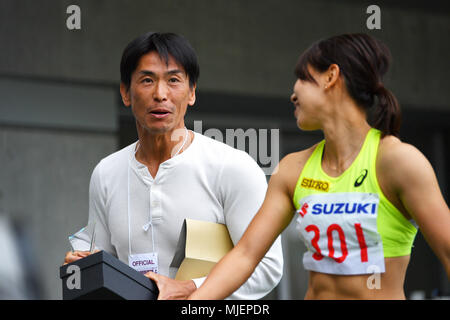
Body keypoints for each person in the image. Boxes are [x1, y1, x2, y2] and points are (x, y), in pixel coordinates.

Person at [188, 33, 450, 300]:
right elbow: (245, 255)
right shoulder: (292, 169)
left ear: (330, 76)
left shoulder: (397, 160)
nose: (293, 93)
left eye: (302, 78)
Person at [63, 32, 283, 300]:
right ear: (125, 92)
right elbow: (102, 257)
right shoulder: (106, 173)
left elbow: (267, 266)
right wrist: (83, 261)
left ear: (191, 93)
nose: (160, 94)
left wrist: (191, 287)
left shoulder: (232, 167)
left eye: (174, 80)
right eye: (147, 80)